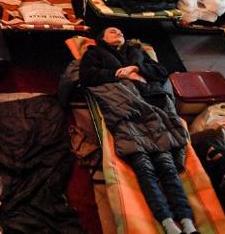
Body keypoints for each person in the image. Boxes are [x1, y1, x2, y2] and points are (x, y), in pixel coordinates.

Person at [80, 27, 199, 234]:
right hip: (126, 108)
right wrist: (119, 75)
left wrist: (137, 69)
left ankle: (188, 223)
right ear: (102, 38)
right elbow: (88, 77)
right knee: (144, 167)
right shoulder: (94, 53)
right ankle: (168, 223)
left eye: (120, 32)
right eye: (112, 32)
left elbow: (161, 72)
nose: (118, 33)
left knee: (167, 165)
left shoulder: (137, 51)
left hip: (151, 102)